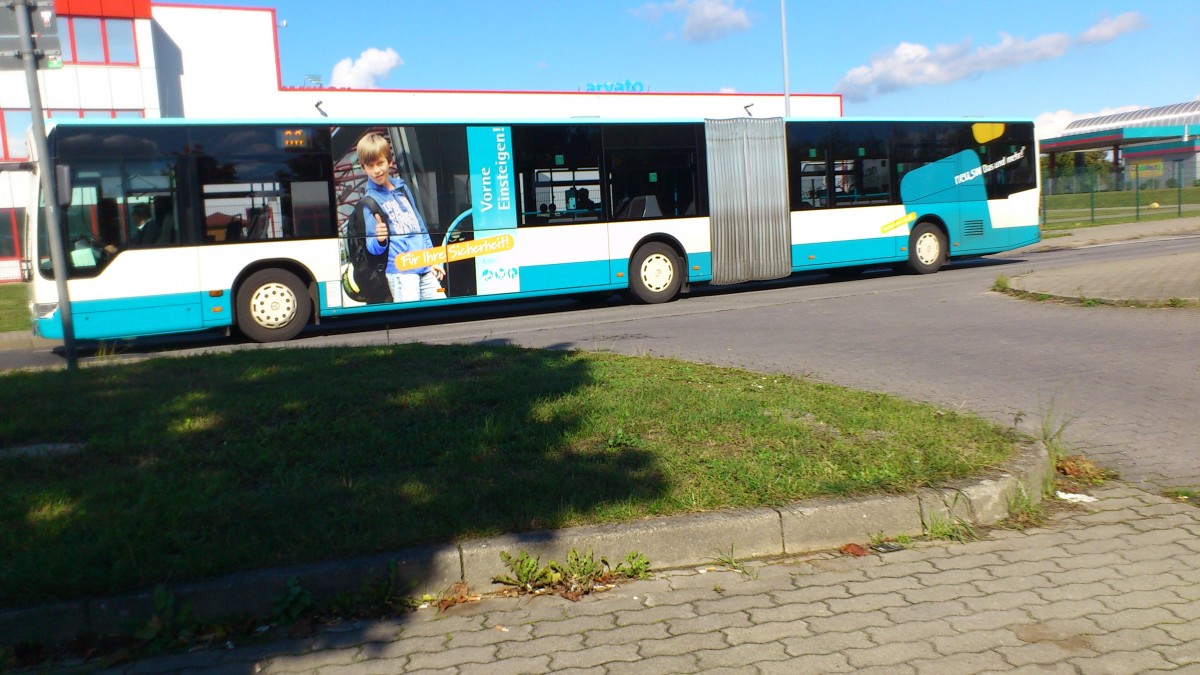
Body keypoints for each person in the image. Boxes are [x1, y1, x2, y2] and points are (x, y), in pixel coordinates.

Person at [357, 132, 444, 302]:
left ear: (390, 161)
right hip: (402, 274)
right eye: (370, 165)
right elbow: (372, 248)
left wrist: (432, 258)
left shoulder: (402, 188)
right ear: (363, 167)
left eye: (380, 163)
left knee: (443, 313)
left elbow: (420, 227)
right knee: (413, 324)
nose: (376, 170)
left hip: (426, 268)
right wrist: (380, 240)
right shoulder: (370, 202)